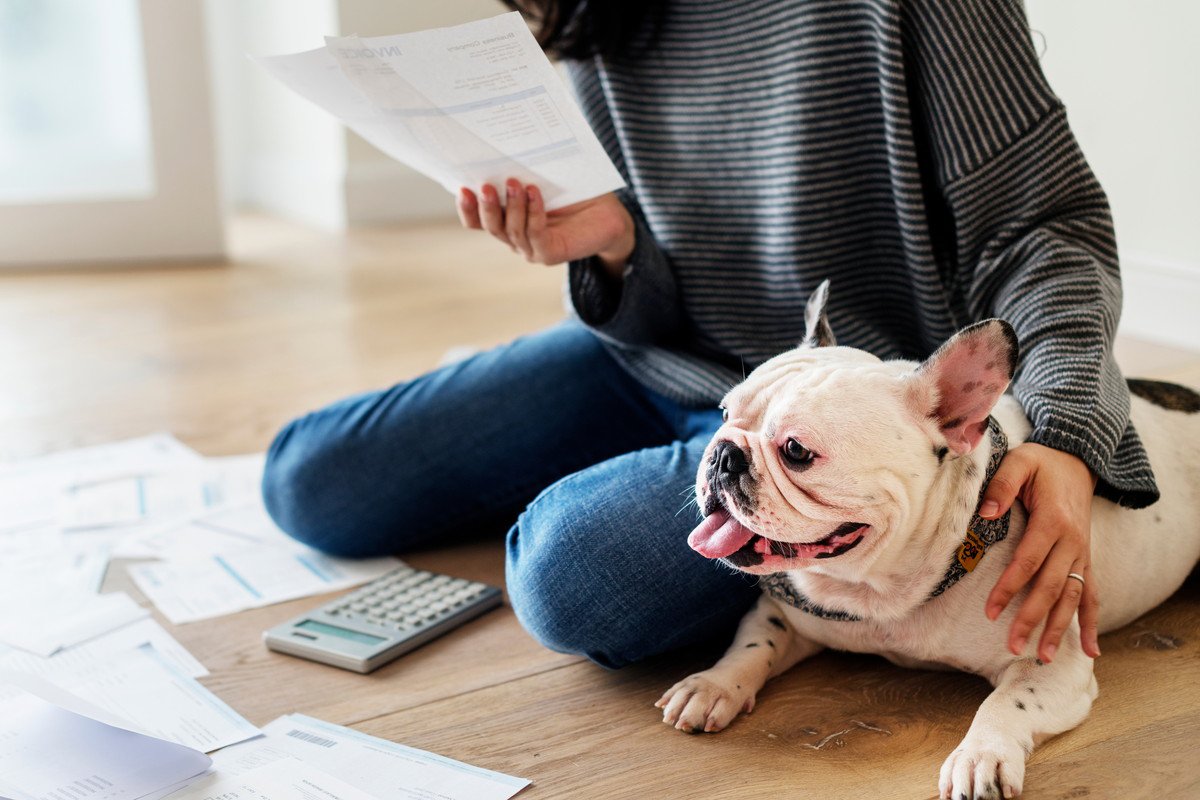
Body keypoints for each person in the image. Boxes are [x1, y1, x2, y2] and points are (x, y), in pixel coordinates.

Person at [261, 0, 1159, 670]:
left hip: (848, 419)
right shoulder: (595, 9)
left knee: (574, 578)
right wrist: (613, 249)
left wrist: (1070, 431)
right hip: (667, 361)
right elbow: (650, 271)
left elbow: (1047, 230)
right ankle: (643, 478)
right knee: (309, 482)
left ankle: (645, 495)